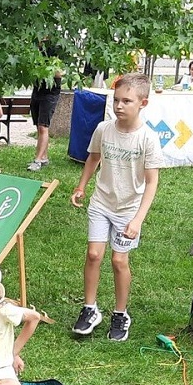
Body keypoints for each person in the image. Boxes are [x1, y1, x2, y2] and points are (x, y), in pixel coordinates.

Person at [70, 73, 161, 342]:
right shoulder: (103, 129)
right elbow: (93, 158)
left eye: (126, 101)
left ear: (142, 103)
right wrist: (81, 186)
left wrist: (138, 220)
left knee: (119, 260)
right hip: (101, 202)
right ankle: (90, 309)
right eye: (116, 100)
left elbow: (152, 182)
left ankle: (120, 313)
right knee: (94, 255)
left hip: (128, 209)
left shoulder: (147, 138)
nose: (119, 106)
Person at [27, 37, 65, 171]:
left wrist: (45, 68)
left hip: (50, 94)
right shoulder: (36, 52)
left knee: (43, 126)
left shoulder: (58, 50)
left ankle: (37, 161)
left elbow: (60, 74)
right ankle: (44, 157)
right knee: (39, 126)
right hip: (37, 91)